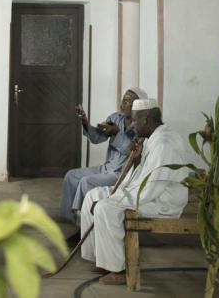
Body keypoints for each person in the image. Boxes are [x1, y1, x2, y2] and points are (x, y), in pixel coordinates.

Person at [80, 98, 188, 285]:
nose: (132, 126)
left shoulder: (164, 144)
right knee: (93, 196)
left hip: (162, 203)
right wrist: (135, 159)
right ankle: (101, 258)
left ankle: (118, 269)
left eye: (135, 121)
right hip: (146, 193)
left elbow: (150, 188)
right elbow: (139, 175)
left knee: (105, 208)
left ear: (146, 120)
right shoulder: (151, 139)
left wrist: (116, 199)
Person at [60, 87, 147, 221]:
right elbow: (96, 138)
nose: (123, 103)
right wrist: (84, 122)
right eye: (123, 99)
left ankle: (84, 220)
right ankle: (68, 217)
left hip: (121, 174)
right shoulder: (115, 117)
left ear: (137, 106)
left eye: (128, 101)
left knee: (86, 182)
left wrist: (116, 133)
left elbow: (132, 151)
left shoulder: (141, 125)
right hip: (106, 168)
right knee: (71, 175)